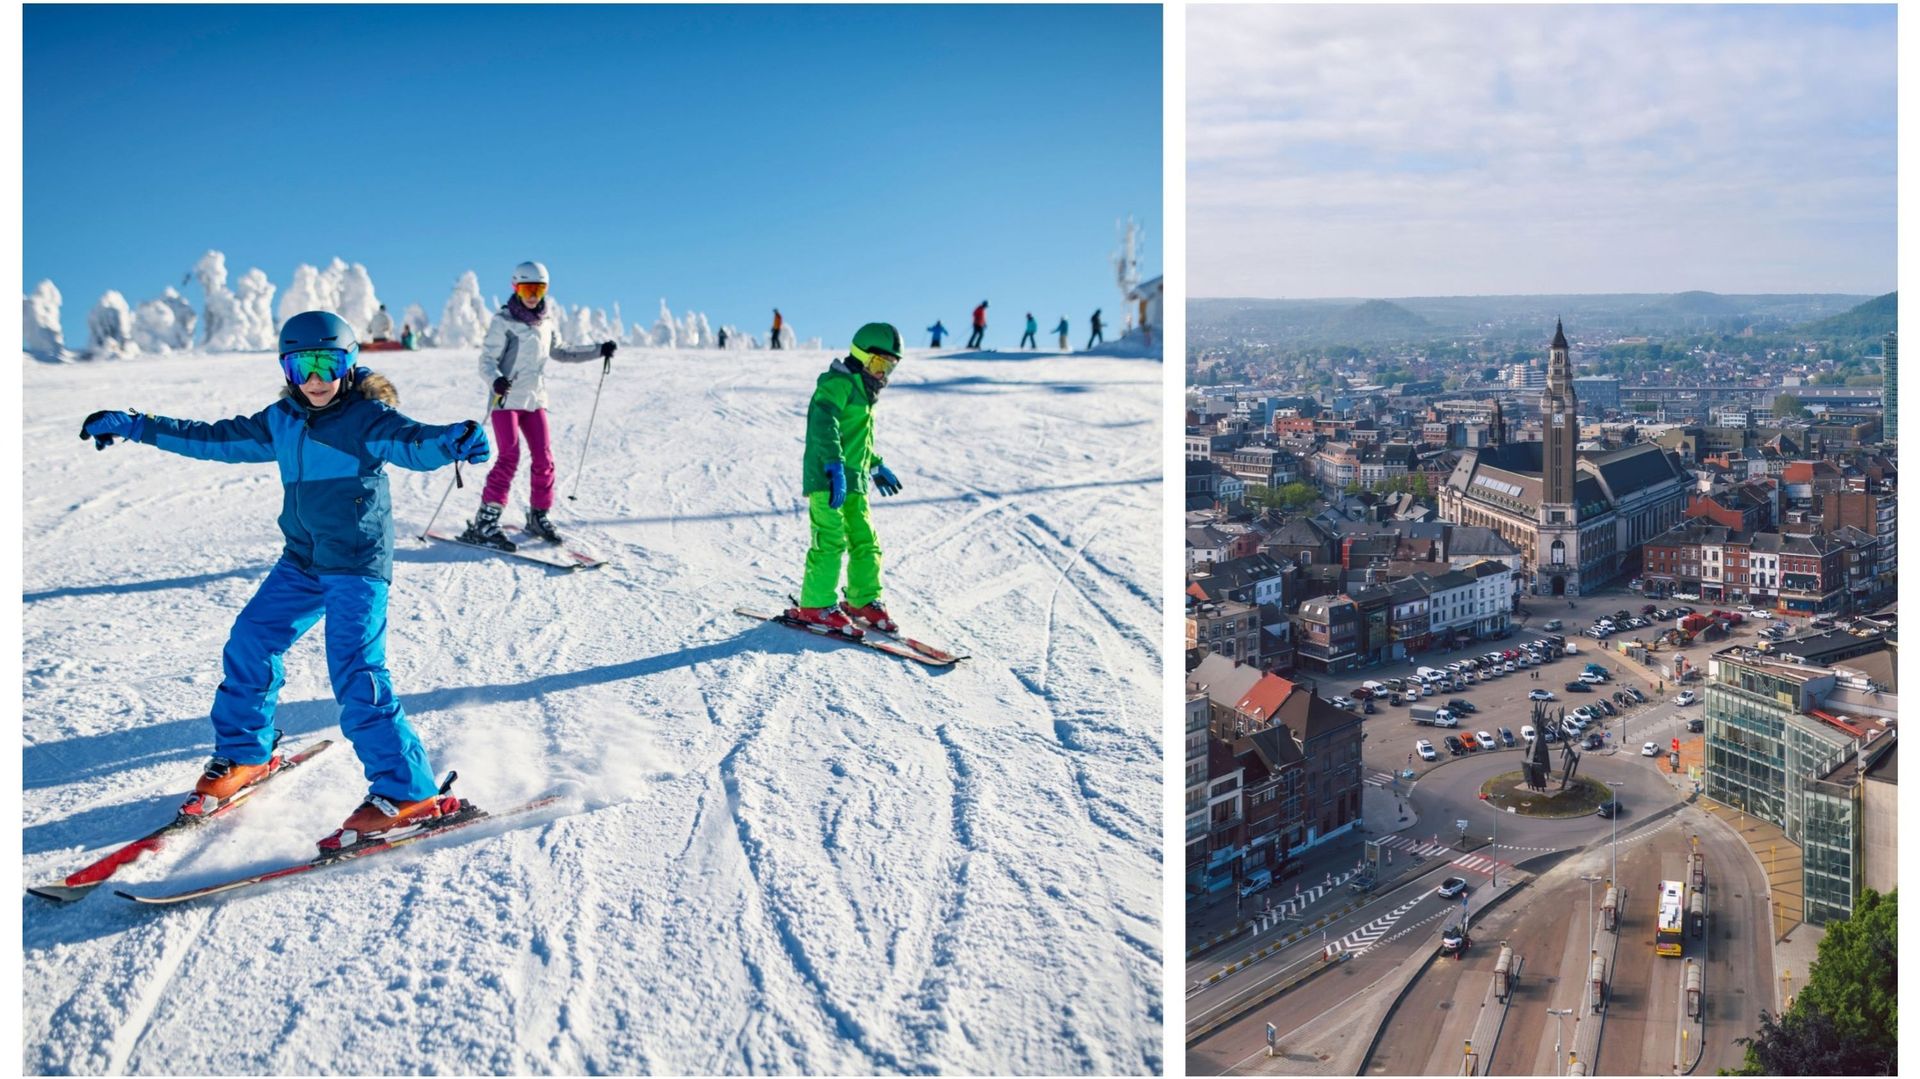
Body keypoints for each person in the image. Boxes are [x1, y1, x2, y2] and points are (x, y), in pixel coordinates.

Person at [77, 311, 492, 851]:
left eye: (328, 364)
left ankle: (408, 791)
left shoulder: (368, 418)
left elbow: (414, 442)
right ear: (288, 370)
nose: (315, 379)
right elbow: (211, 438)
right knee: (250, 640)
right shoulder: (283, 419)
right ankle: (247, 753)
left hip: (355, 565)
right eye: (302, 366)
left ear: (348, 364)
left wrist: (454, 440)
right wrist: (134, 424)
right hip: (302, 560)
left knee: (355, 670)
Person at [463, 261, 616, 551]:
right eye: (527, 288)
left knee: (544, 458)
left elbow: (562, 351)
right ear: (515, 288)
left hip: (535, 400)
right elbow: (486, 361)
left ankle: (538, 515)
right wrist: (496, 380)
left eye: (538, 288)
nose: (533, 295)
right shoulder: (503, 321)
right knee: (509, 456)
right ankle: (486, 520)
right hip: (506, 400)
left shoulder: (546, 322)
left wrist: (598, 350)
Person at [787, 322, 907, 635]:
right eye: (879, 363)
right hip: (828, 475)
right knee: (831, 538)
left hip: (854, 479)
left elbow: (857, 439)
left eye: (890, 367)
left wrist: (876, 464)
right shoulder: (837, 384)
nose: (883, 373)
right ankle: (815, 605)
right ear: (862, 356)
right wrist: (833, 464)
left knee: (865, 539)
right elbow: (824, 424)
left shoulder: (865, 396)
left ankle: (862, 598)